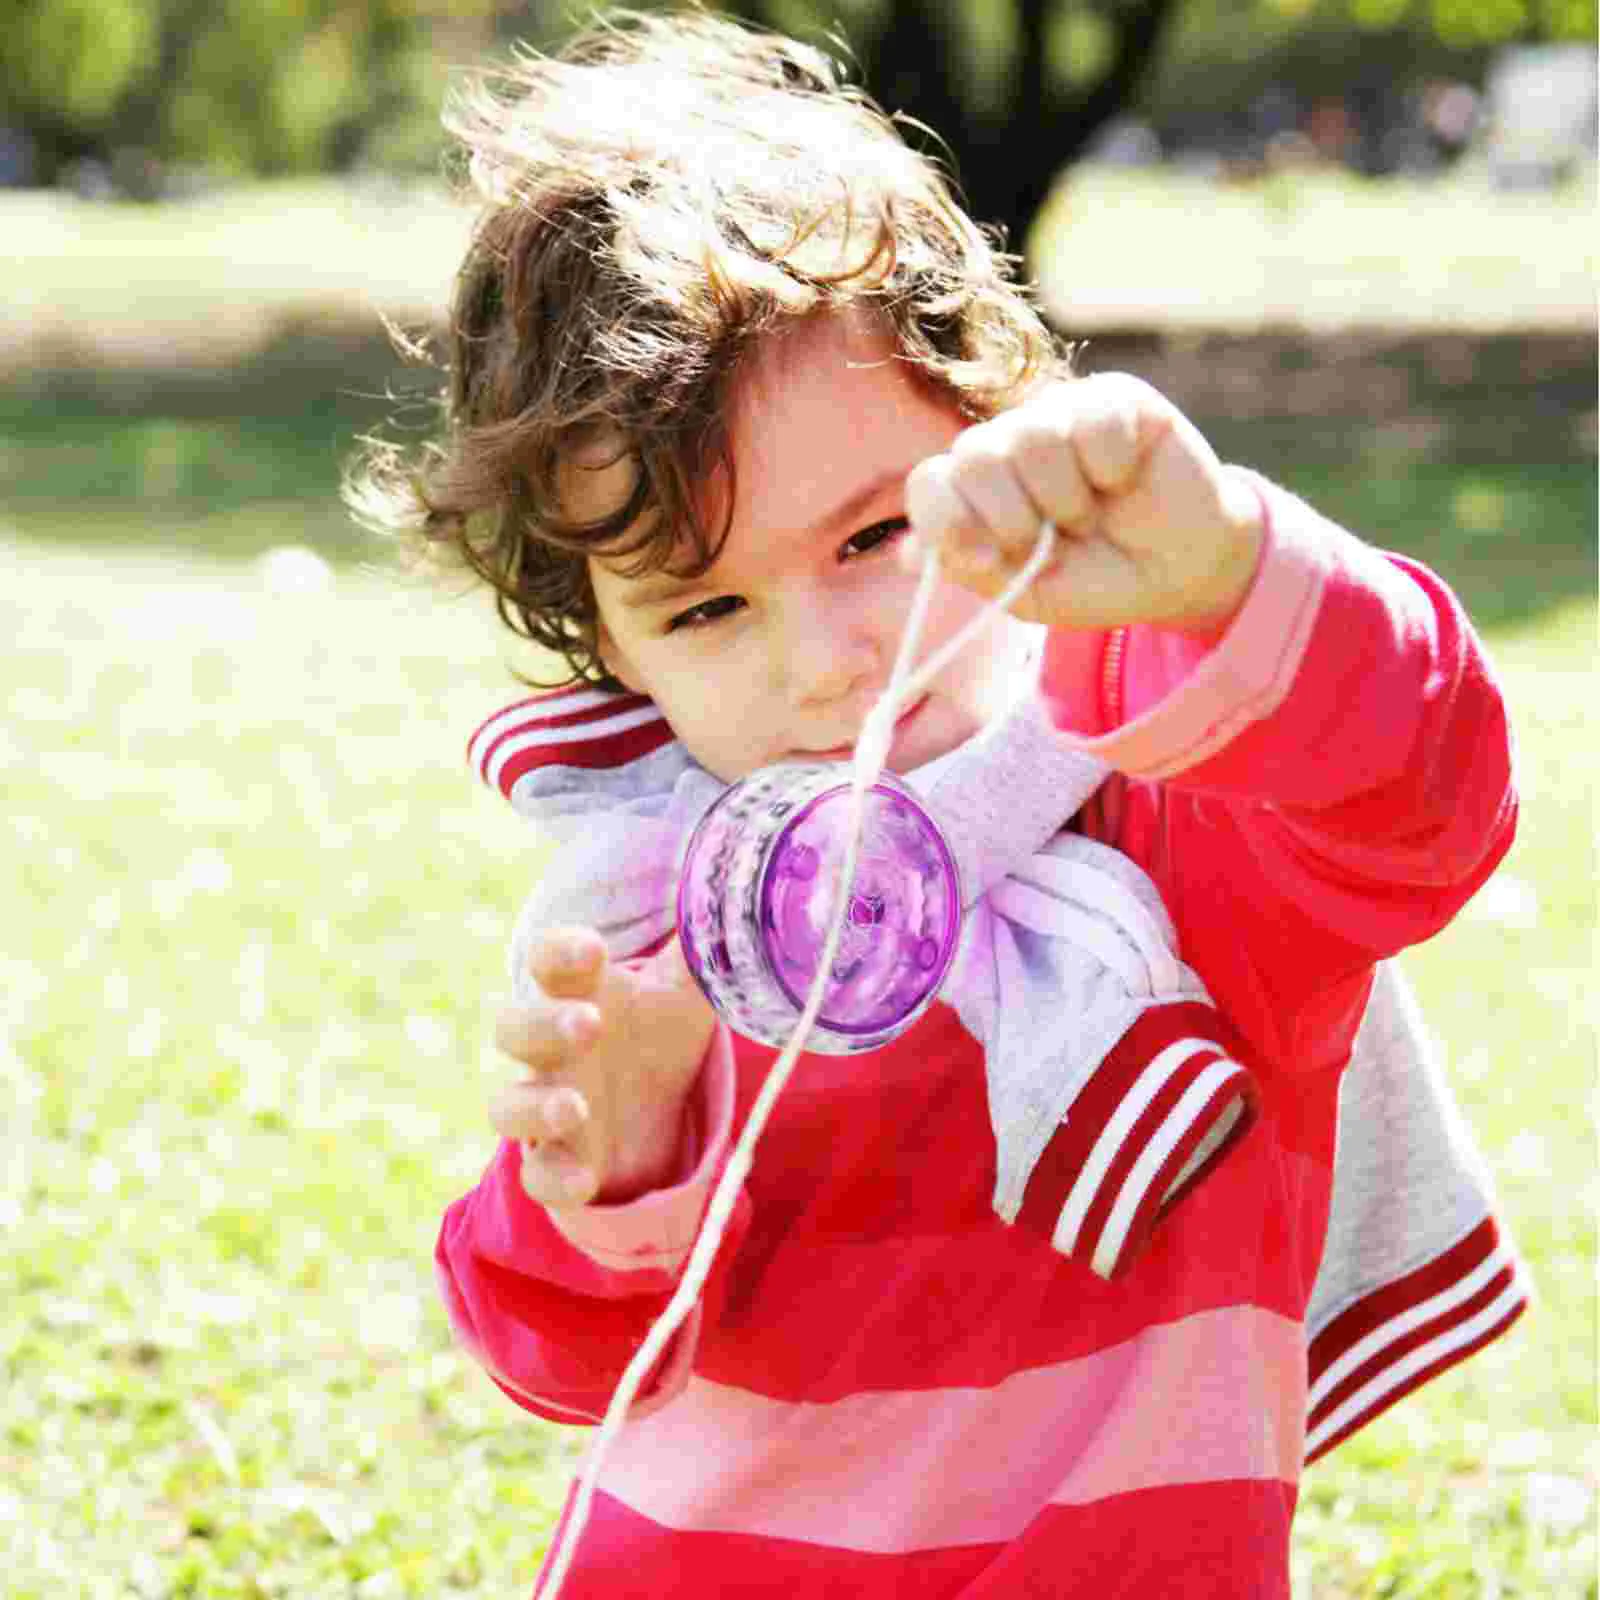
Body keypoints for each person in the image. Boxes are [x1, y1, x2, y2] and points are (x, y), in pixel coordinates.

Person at [349, 12, 1524, 1596]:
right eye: (705, 613)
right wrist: (610, 1174)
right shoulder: (650, 920)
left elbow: (1423, 797)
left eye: (871, 541)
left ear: (1004, 446)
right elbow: (555, 1363)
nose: (828, 668)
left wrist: (1227, 576)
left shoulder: (1185, 797)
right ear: (608, 650)